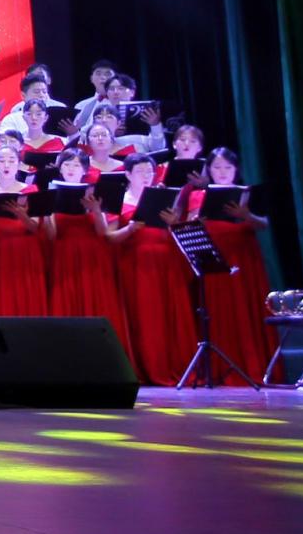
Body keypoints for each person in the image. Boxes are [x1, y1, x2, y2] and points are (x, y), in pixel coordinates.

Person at [180, 147, 274, 385]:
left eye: (228, 167)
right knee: (217, 310)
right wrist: (197, 221)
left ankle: (253, 367)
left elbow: (264, 224)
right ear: (209, 170)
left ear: (236, 169)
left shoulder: (246, 192)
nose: (222, 172)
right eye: (217, 167)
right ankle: (219, 368)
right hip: (213, 255)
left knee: (245, 307)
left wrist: (245, 215)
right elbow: (188, 225)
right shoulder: (198, 195)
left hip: (243, 257)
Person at [108, 150, 195, 385]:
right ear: (128, 174)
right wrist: (130, 229)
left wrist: (173, 222)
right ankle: (148, 367)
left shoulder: (165, 197)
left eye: (150, 171)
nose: (146, 176)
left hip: (166, 262)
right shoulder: (120, 200)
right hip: (136, 265)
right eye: (140, 171)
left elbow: (177, 232)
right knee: (145, 316)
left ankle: (174, 365)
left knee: (169, 314)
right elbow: (109, 237)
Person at [45, 148, 132, 360]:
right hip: (64, 256)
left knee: (96, 302)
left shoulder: (95, 191)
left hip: (93, 257)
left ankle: (103, 358)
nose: (71, 169)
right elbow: (52, 235)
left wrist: (96, 210)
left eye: (76, 165)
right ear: (60, 168)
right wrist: (46, 213)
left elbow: (103, 233)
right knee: (67, 302)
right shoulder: (52, 192)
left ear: (85, 169)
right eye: (67, 164)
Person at [0, 137, 50, 316]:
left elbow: (37, 228)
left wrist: (22, 216)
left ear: (19, 165)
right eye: (1, 160)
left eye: (11, 160)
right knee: (0, 299)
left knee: (28, 298)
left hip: (25, 251)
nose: (6, 165)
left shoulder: (30, 191)